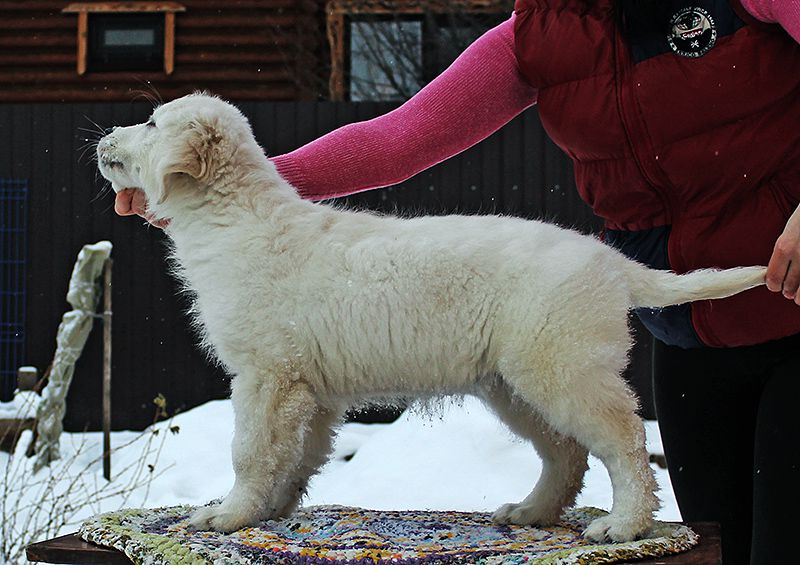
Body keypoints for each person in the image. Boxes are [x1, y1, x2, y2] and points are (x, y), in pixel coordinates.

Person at [115, 1, 800, 563]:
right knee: (719, 545)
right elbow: (399, 141)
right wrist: (223, 193)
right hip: (693, 332)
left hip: (794, 310)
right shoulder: (541, 33)